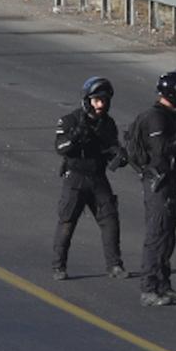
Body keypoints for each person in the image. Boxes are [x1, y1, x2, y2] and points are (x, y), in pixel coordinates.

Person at [133, 69, 176, 307]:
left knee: (168, 235)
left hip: (169, 182)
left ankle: (163, 283)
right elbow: (162, 150)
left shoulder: (168, 116)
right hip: (157, 183)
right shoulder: (156, 118)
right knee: (157, 234)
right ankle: (149, 287)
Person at [51, 77, 128, 281]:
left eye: (104, 100)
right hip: (75, 178)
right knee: (67, 221)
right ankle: (58, 266)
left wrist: (119, 156)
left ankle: (114, 265)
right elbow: (60, 148)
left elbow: (110, 147)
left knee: (110, 219)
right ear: (87, 100)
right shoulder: (69, 121)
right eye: (96, 100)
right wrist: (75, 136)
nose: (100, 105)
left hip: (98, 177)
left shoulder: (108, 124)